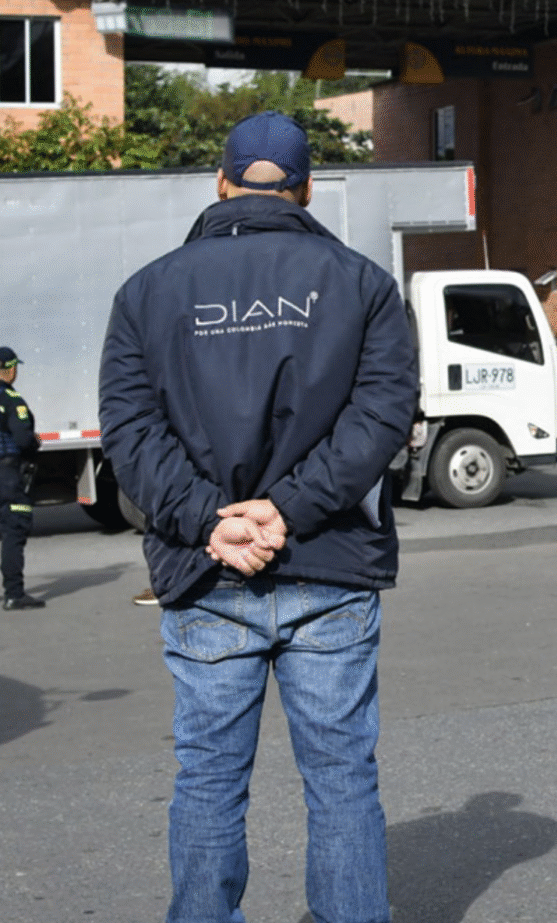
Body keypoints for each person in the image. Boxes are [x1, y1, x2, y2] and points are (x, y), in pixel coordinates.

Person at [99, 111, 418, 923]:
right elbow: (380, 419)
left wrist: (213, 520)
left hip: (208, 573)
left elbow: (131, 435)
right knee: (342, 778)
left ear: (221, 181)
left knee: (208, 781)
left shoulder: (146, 291)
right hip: (330, 564)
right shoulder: (362, 283)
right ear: (307, 187)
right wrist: (290, 508)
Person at [0, 346, 43, 610]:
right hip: (6, 474)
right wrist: (34, 443)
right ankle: (14, 594)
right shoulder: (12, 399)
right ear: (11, 369)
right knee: (14, 530)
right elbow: (24, 439)